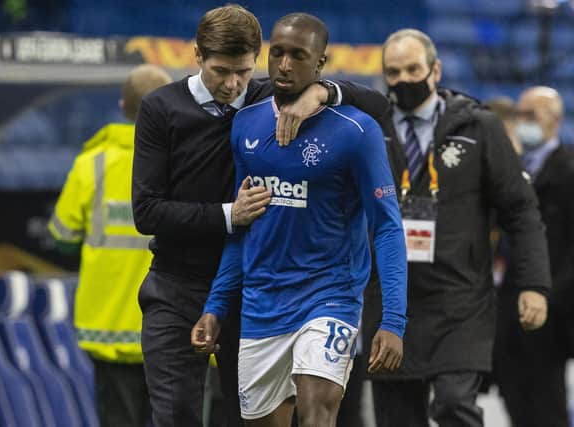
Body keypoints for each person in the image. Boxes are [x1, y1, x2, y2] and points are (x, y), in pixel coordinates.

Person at [132, 5, 391, 427]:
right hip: (176, 287)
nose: (233, 84)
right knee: (176, 414)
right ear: (197, 56)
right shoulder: (161, 108)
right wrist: (229, 215)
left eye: (244, 71)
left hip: (252, 287)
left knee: (245, 418)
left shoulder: (264, 95)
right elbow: (147, 211)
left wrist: (322, 91)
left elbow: (377, 104)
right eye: (221, 71)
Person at [360, 29, 551, 427]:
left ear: (436, 69)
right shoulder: (369, 130)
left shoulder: (479, 127)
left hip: (460, 302)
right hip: (392, 300)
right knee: (396, 418)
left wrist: (534, 284)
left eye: (414, 69)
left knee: (453, 405)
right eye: (393, 72)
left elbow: (520, 210)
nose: (404, 80)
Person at [48, 64, 172, 427]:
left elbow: (62, 237)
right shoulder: (185, 162)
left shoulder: (91, 164)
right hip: (171, 330)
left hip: (108, 329)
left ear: (122, 106)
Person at [493, 86, 574, 427]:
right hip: (505, 313)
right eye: (519, 115)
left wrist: (551, 298)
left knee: (545, 408)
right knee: (515, 403)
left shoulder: (569, 172)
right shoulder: (508, 169)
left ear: (555, 121)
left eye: (532, 116)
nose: (523, 122)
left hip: (550, 316)